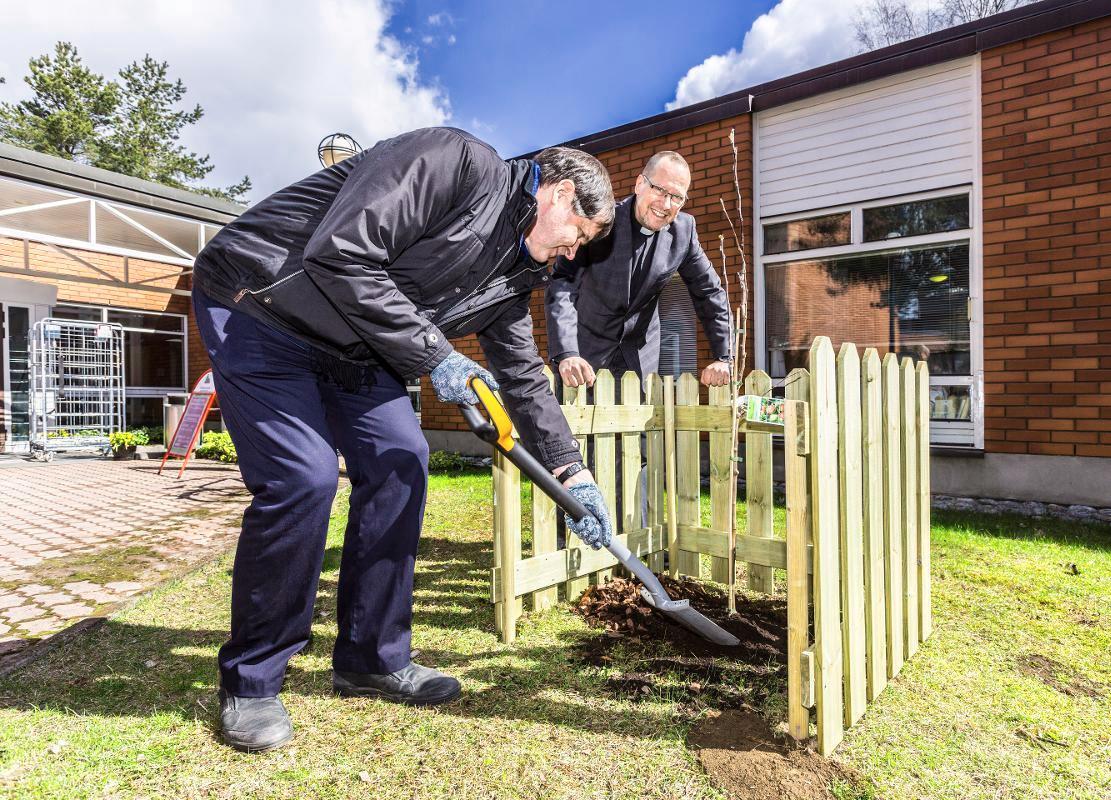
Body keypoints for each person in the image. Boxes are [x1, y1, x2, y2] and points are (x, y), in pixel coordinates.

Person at [191, 127, 616, 753]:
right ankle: (252, 680)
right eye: (577, 235)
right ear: (557, 192)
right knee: (303, 477)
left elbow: (525, 378)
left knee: (403, 462)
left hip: (355, 346)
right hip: (261, 304)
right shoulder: (458, 164)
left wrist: (572, 474)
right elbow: (341, 251)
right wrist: (436, 354)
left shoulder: (512, 274)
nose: (572, 253)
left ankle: (370, 656)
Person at [545, 151, 732, 389]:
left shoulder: (684, 232)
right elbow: (562, 282)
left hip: (640, 359)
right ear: (640, 184)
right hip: (584, 354)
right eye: (659, 190)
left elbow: (709, 293)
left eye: (676, 197)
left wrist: (723, 357)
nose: (665, 204)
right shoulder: (601, 221)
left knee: (641, 427)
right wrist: (567, 352)